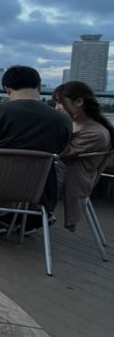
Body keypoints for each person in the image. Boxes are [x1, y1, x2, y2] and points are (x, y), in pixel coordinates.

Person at [0, 65, 71, 239]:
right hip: (39, 184)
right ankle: (23, 219)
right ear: (39, 86)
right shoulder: (62, 119)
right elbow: (61, 149)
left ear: (7, 89)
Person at [51, 81, 114, 230]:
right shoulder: (74, 125)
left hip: (67, 180)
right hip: (60, 174)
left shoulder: (96, 133)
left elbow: (61, 153)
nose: (57, 108)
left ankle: (25, 218)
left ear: (79, 101)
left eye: (60, 103)